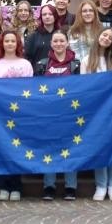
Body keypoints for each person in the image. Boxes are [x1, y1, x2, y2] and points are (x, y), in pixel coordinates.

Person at [82, 26, 112, 201]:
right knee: (100, 146)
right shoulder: (88, 60)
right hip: (96, 113)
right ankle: (101, 185)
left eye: (110, 37)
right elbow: (83, 86)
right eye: (104, 35)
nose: (106, 39)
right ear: (98, 36)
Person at [0, 30, 34, 201]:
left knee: (17, 149)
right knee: (1, 149)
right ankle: (3, 186)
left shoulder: (26, 65)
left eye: (13, 41)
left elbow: (29, 89)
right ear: (2, 44)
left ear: (18, 44)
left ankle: (16, 187)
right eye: (7, 41)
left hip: (19, 114)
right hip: (0, 114)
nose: (10, 44)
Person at [36, 30, 81, 200]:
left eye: (62, 40)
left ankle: (70, 186)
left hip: (70, 113)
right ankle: (49, 186)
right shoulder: (42, 64)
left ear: (67, 43)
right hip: (48, 114)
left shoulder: (76, 64)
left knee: (71, 148)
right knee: (49, 147)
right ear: (51, 43)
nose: (59, 44)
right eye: (56, 41)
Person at [24, 3, 57, 70]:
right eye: (44, 14)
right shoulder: (33, 36)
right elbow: (27, 57)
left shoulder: (60, 35)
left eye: (50, 14)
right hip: (38, 75)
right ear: (41, 17)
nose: (47, 16)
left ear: (55, 16)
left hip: (57, 73)